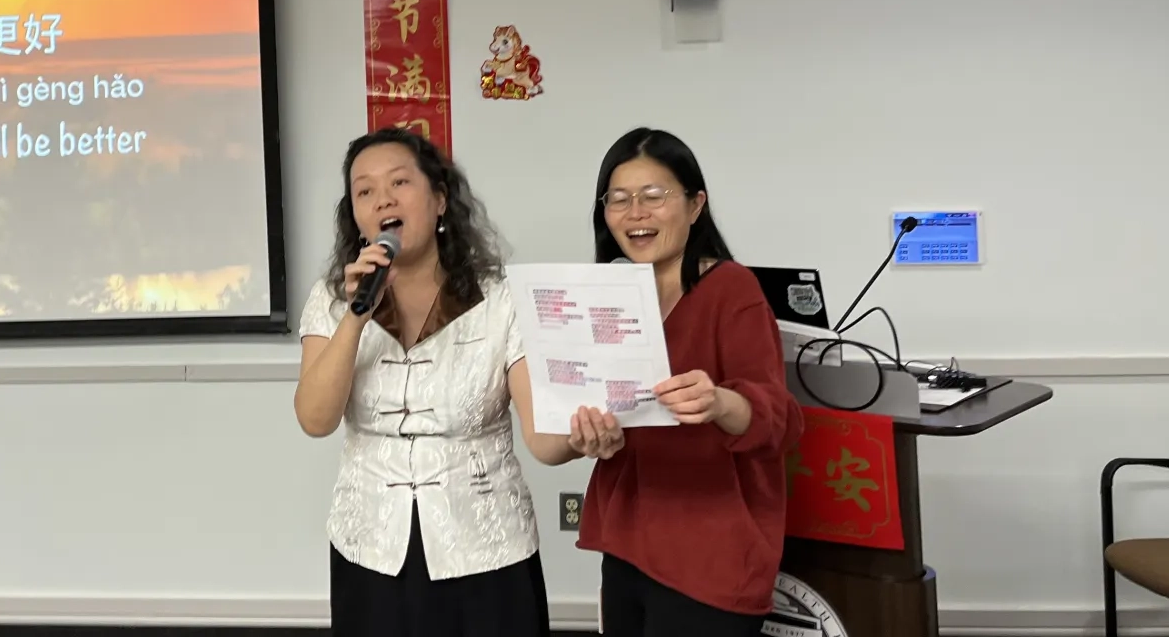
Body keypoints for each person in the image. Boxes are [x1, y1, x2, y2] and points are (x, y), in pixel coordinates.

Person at [294, 127, 579, 637]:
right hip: (371, 549)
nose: (383, 198)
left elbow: (544, 439)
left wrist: (587, 433)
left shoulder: (501, 299)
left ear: (440, 200)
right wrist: (356, 317)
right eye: (365, 190)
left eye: (400, 182)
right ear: (356, 215)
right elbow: (315, 419)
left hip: (487, 551)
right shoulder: (335, 298)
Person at [566, 127, 804, 636]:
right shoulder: (607, 295)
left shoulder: (730, 288)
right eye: (619, 199)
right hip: (628, 543)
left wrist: (720, 402)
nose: (636, 213)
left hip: (710, 551)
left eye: (654, 197)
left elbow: (780, 421)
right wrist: (593, 433)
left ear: (696, 206)